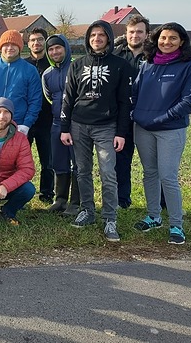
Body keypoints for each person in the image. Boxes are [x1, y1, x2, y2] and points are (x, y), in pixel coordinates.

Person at [60, 20, 133, 243]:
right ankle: (88, 211)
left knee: (108, 173)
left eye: (101, 35)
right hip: (79, 125)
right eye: (93, 35)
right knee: (82, 170)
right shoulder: (77, 65)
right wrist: (65, 128)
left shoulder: (120, 66)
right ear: (88, 39)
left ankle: (110, 218)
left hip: (107, 126)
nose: (97, 39)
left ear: (109, 38)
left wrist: (121, 132)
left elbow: (125, 103)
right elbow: (68, 97)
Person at [132, 23, 191, 245]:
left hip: (171, 130)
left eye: (173, 38)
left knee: (168, 176)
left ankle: (176, 225)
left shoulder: (189, 67)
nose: (167, 42)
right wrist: (136, 113)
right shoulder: (147, 65)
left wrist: (162, 118)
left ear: (182, 42)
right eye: (163, 38)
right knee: (149, 173)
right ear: (156, 40)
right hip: (143, 128)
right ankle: (153, 216)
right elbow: (135, 92)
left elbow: (189, 101)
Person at [0, 30, 42, 137]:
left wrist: (26, 124)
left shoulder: (30, 70)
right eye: (6, 45)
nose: (10, 48)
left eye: (14, 45)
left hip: (18, 126)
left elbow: (35, 100)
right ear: (0, 47)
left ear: (20, 47)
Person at [113, 15, 151, 209]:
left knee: (153, 164)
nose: (135, 35)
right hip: (123, 118)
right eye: (131, 31)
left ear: (146, 34)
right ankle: (122, 200)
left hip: (148, 118)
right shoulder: (117, 55)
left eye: (139, 31)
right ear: (125, 34)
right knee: (121, 161)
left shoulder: (155, 57)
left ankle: (161, 202)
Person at [41, 34, 79, 214]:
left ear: (66, 48)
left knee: (78, 163)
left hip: (77, 124)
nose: (54, 51)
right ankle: (61, 199)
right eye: (51, 49)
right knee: (59, 161)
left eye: (58, 47)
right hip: (57, 123)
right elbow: (49, 97)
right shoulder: (47, 74)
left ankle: (76, 202)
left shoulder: (78, 67)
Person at [25, 28, 54, 203]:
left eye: (40, 40)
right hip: (27, 121)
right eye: (33, 40)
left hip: (47, 120)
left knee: (48, 161)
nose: (36, 43)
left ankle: (47, 193)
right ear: (28, 44)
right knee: (21, 160)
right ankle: (21, 191)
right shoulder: (23, 65)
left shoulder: (52, 64)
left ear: (45, 42)